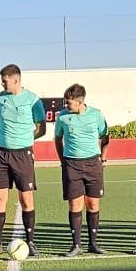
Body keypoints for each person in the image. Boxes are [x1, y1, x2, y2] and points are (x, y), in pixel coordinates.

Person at [0, 64, 44, 258]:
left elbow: (41, 127)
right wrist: (2, 136)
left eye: (5, 80)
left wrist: (26, 140)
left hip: (23, 155)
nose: (2, 84)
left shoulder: (33, 100)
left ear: (16, 80)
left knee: (26, 198)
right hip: (2, 154)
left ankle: (31, 242)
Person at [53, 84, 109, 257]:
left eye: (69, 103)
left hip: (93, 164)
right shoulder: (62, 117)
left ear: (79, 102)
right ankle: (76, 245)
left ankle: (93, 243)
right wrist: (63, 160)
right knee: (75, 204)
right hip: (72, 164)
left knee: (92, 203)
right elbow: (58, 139)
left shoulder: (96, 114)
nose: (66, 106)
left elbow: (105, 136)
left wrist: (103, 158)